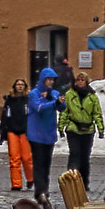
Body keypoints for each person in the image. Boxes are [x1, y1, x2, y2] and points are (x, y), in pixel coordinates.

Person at [58, 74, 104, 188]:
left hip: (88, 129)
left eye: (82, 80)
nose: (80, 82)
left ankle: (84, 182)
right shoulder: (70, 95)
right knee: (74, 154)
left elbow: (97, 113)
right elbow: (65, 111)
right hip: (73, 128)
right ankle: (71, 180)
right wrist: (61, 127)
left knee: (85, 157)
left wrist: (100, 128)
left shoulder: (92, 96)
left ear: (86, 82)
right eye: (78, 80)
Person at [26, 68, 62, 197]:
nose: (51, 82)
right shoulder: (34, 94)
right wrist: (54, 103)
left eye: (52, 80)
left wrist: (58, 101)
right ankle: (40, 190)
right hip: (36, 134)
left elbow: (62, 108)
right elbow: (39, 108)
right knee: (39, 163)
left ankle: (44, 189)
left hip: (49, 134)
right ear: (43, 80)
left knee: (47, 163)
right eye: (48, 79)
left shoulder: (54, 93)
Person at [0, 77, 32, 192]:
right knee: (14, 158)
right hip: (12, 130)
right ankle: (16, 184)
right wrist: (2, 133)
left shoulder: (29, 100)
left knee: (27, 158)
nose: (20, 86)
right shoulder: (9, 101)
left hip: (26, 131)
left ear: (25, 87)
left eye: (22, 84)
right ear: (14, 87)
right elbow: (4, 117)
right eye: (18, 84)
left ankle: (31, 178)